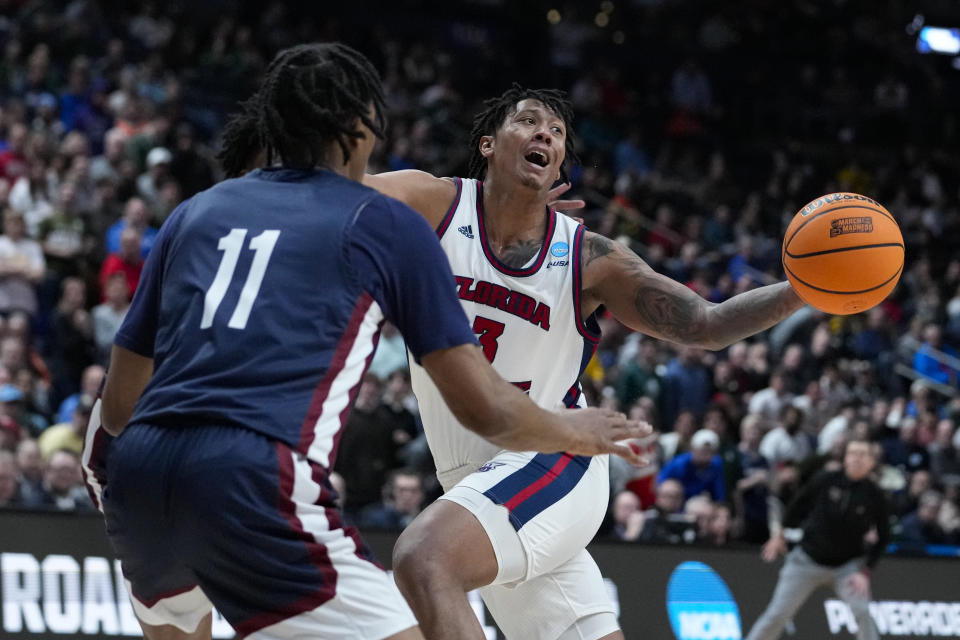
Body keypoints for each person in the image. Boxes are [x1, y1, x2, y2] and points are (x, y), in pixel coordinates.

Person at [91, 44, 646, 640]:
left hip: (133, 471)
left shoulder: (196, 212)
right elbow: (483, 406)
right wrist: (575, 431)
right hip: (248, 471)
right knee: (421, 579)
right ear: (363, 131)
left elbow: (121, 404)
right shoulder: (382, 223)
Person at [359, 84, 806, 640]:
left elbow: (706, 325)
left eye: (557, 132)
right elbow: (333, 194)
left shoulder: (588, 257)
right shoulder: (434, 205)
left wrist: (800, 291)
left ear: (557, 167)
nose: (544, 133)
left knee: (425, 559)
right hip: (472, 478)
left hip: (555, 452)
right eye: (527, 121)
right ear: (489, 144)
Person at [745, 438, 889, 640]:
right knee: (777, 614)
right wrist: (780, 535)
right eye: (853, 453)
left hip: (847, 567)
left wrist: (865, 572)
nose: (857, 458)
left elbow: (885, 536)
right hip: (807, 560)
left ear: (871, 462)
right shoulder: (826, 480)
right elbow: (797, 505)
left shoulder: (875, 495)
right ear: (845, 458)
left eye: (862, 454)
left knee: (863, 613)